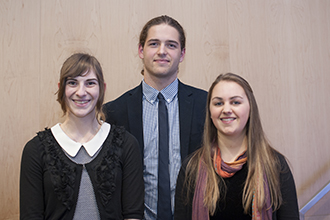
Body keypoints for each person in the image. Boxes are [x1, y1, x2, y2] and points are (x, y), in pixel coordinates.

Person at [103, 15, 207, 220]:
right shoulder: (114, 113)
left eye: (171, 45)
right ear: (141, 50)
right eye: (154, 44)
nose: (162, 51)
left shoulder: (206, 105)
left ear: (182, 53)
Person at [20, 53, 144, 220]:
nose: (81, 92)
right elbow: (31, 216)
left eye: (90, 83)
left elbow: (133, 215)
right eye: (72, 83)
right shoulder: (35, 149)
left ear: (102, 89)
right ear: (61, 88)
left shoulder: (126, 144)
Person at [174, 73, 299, 219]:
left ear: (250, 108)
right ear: (209, 112)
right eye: (218, 103)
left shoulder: (275, 166)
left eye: (235, 102)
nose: (226, 110)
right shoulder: (191, 169)